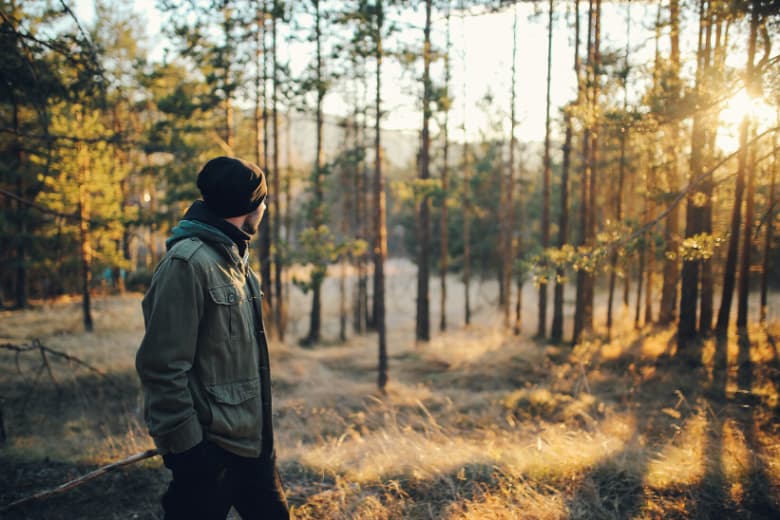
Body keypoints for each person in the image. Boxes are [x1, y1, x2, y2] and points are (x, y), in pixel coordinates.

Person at [135, 156, 289, 519]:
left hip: (253, 448)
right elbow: (161, 365)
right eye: (263, 200)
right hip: (210, 452)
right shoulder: (187, 264)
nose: (265, 207)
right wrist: (190, 451)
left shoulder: (234, 258)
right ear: (249, 206)